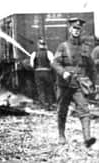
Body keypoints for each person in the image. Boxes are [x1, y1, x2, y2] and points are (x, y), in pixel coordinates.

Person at [52, 18, 96, 147]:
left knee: (84, 110)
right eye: (74, 28)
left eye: (79, 29)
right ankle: (61, 135)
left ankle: (87, 139)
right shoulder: (63, 46)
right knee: (62, 110)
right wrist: (63, 72)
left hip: (79, 85)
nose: (76, 31)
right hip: (64, 84)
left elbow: (92, 68)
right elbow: (55, 63)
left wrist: (94, 84)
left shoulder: (85, 48)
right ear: (69, 29)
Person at [29, 39, 55, 109]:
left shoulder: (34, 53)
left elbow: (31, 65)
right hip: (47, 72)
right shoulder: (49, 53)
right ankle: (50, 104)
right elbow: (52, 63)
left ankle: (43, 105)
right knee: (49, 89)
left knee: (40, 89)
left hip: (38, 73)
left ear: (38, 45)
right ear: (45, 45)